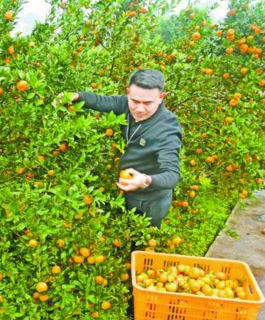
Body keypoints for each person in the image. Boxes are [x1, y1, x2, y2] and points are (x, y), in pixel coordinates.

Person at [53, 69, 182, 228]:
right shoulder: (126, 104)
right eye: (135, 101)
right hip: (126, 188)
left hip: (150, 199)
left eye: (147, 103)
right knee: (124, 230)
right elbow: (100, 101)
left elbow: (172, 175)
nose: (140, 109)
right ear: (128, 93)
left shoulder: (167, 129)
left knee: (142, 243)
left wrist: (145, 180)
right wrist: (76, 96)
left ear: (161, 98)